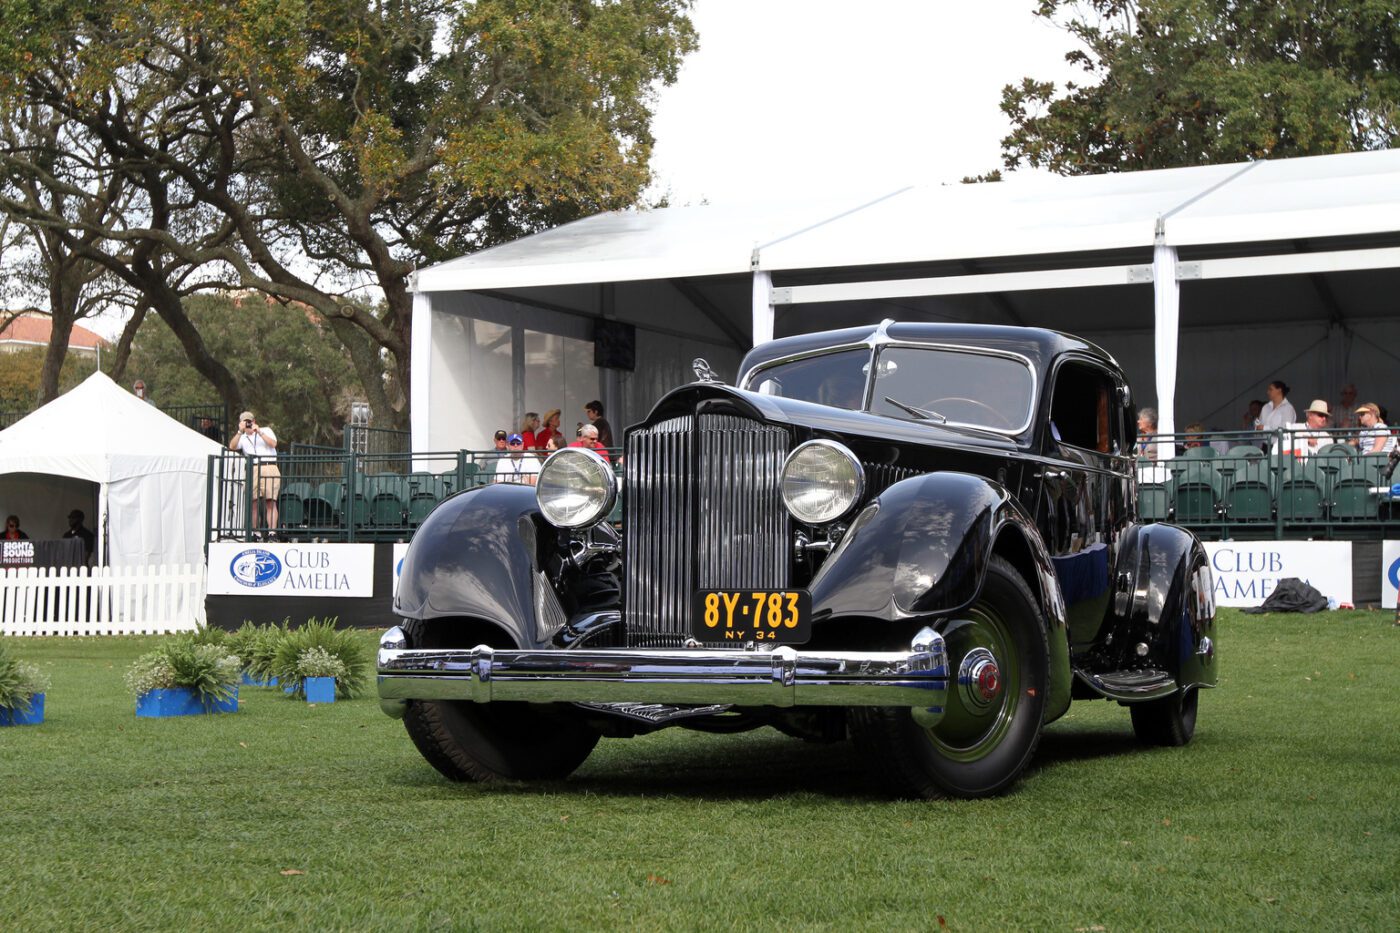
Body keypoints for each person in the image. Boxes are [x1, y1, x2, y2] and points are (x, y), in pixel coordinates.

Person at [229, 410, 280, 536]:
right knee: (253, 502)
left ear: (254, 421)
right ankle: (255, 533)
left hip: (269, 466)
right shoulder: (242, 437)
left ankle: (272, 532)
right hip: (253, 468)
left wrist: (259, 432)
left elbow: (273, 443)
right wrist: (239, 432)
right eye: (244, 421)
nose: (247, 424)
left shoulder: (266, 430)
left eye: (249, 421)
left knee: (271, 501)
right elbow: (232, 446)